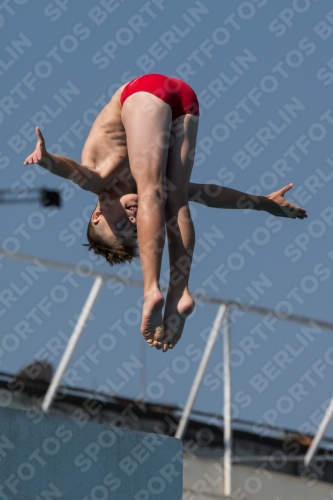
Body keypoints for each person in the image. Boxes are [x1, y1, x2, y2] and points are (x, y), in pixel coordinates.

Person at [23, 74, 307, 353]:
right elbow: (207, 194)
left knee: (154, 192)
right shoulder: (138, 182)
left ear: (97, 215)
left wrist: (48, 160)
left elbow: (73, 171)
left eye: (121, 224)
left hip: (143, 94)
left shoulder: (98, 183)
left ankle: (152, 291)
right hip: (185, 102)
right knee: (178, 198)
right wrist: (261, 202)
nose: (133, 220)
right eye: (135, 229)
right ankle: (179, 294)